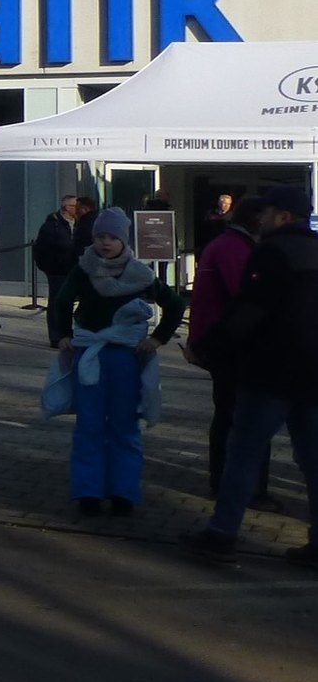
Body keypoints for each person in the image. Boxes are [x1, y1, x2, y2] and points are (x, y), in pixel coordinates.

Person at [184, 186, 318, 567]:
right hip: (313, 372)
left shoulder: (272, 252)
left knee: (243, 453)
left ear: (284, 216)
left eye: (269, 211)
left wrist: (207, 347)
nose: (261, 217)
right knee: (313, 460)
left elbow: (248, 311)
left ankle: (222, 534)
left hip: (271, 371)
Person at [48, 206, 184, 517]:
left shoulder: (139, 272)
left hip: (125, 358)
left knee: (124, 426)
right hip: (90, 357)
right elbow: (62, 301)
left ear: (124, 240)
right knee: (89, 426)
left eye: (112, 237)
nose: (105, 243)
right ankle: (88, 493)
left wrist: (158, 338)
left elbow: (175, 304)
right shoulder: (83, 268)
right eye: (100, 237)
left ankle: (123, 492)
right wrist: (65, 334)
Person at [186, 195, 275, 511]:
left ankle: (229, 482)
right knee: (237, 415)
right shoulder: (234, 248)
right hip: (230, 345)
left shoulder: (229, 245)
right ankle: (235, 486)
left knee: (230, 414)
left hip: (222, 342)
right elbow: (247, 295)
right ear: (257, 219)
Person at [31, 193, 79, 310]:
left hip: (72, 269)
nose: (78, 209)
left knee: (68, 300)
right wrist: (50, 267)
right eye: (76, 206)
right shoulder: (52, 225)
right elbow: (42, 249)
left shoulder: (78, 224)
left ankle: (64, 326)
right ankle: (55, 327)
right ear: (67, 207)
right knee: (57, 301)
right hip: (57, 271)